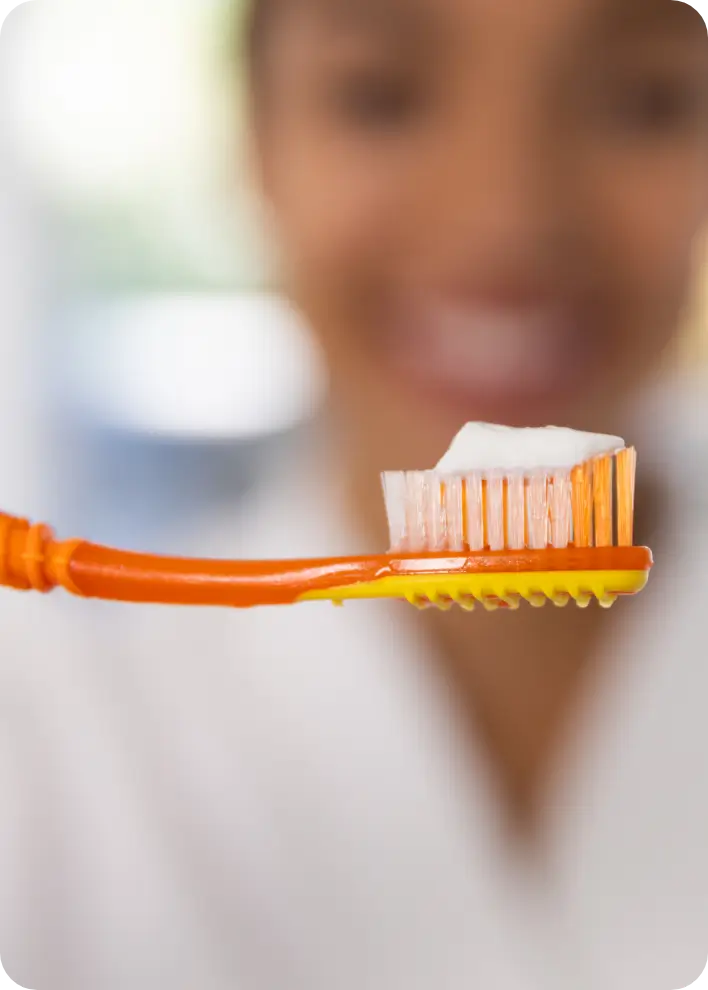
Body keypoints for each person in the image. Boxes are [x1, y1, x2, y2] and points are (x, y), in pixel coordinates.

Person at [2, 0, 708, 987]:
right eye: (380, 98)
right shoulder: (41, 760)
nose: (508, 218)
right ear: (254, 146)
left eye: (644, 102)